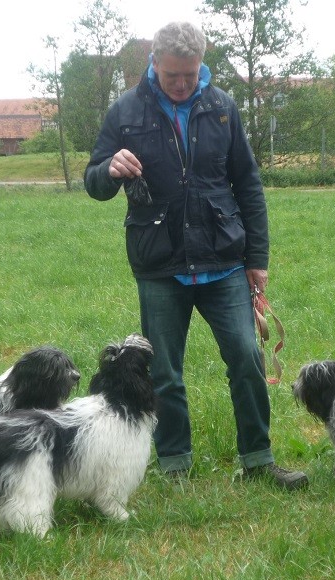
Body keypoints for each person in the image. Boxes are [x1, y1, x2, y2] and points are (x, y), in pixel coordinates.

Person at [84, 21, 308, 490]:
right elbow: (94, 182)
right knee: (164, 371)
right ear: (154, 64)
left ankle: (259, 461)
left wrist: (257, 257)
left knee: (248, 357)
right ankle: (174, 465)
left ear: (201, 64)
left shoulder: (223, 107)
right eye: (172, 76)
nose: (182, 84)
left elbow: (247, 184)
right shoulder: (124, 111)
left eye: (190, 74)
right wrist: (109, 169)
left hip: (223, 258)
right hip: (159, 263)